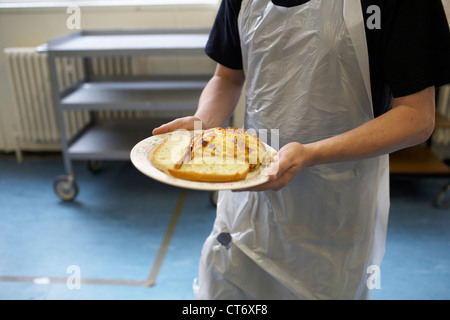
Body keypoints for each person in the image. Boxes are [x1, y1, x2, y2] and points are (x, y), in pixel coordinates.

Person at [153, 0, 450, 299]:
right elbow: (227, 77)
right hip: (249, 195)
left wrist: (310, 154)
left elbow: (416, 116)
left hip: (333, 211)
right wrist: (204, 124)